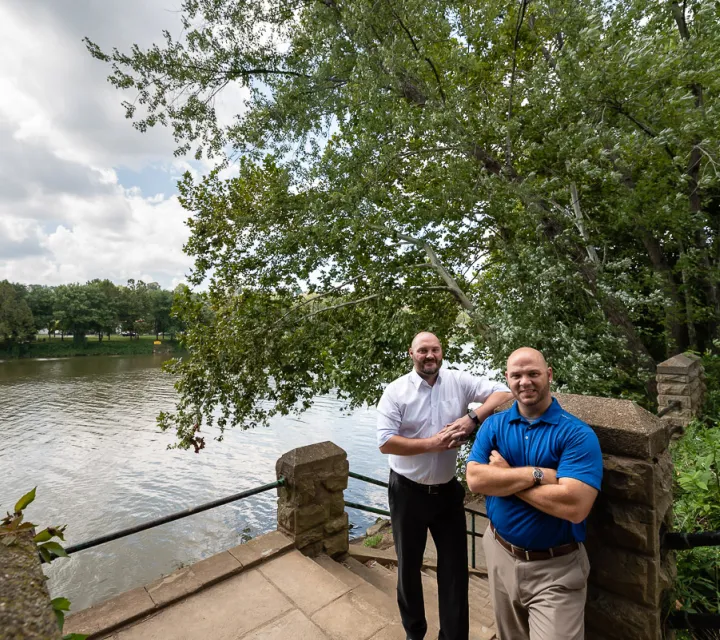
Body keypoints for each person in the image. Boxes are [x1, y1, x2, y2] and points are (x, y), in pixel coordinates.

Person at [377, 332, 512, 640]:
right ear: (411, 353)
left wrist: (472, 419)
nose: (430, 355)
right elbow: (385, 442)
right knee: (408, 568)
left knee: (455, 571)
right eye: (423, 350)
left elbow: (504, 393)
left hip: (447, 492)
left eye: (435, 349)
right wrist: (432, 443)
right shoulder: (396, 391)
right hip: (407, 492)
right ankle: (415, 633)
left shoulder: (458, 381)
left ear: (441, 352)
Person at [466, 347, 603, 640]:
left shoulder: (576, 435)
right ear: (507, 378)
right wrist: (535, 474)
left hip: (556, 569)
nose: (524, 381)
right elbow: (476, 480)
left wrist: (504, 477)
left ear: (549, 375)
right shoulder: (494, 425)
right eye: (516, 375)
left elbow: (575, 504)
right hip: (500, 553)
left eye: (533, 374)